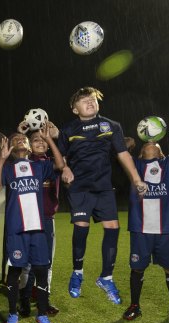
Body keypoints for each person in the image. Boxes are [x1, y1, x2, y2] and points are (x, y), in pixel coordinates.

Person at [58, 86, 147, 304]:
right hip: (80, 188)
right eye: (84, 100)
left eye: (92, 99)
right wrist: (64, 169)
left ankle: (106, 277)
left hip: (104, 187)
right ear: (74, 109)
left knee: (112, 229)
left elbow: (123, 153)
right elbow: (60, 156)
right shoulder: (68, 129)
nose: (90, 102)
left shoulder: (111, 125)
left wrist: (136, 179)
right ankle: (77, 272)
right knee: (81, 227)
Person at [0, 128, 65, 323]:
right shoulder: (8, 168)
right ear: (11, 147)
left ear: (28, 145)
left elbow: (60, 165)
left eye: (23, 139)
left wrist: (49, 141)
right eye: (15, 139)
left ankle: (42, 315)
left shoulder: (39, 165)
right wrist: (1, 158)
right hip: (16, 229)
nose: (19, 140)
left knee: (41, 271)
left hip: (38, 228)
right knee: (15, 272)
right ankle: (13, 314)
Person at [123, 128, 169, 323]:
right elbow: (119, 155)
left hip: (167, 228)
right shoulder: (135, 165)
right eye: (146, 144)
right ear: (141, 152)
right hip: (140, 228)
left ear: (161, 152)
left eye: (156, 144)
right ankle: (134, 306)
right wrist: (126, 145)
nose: (151, 144)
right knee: (137, 268)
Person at [17, 125, 60, 317]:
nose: (40, 142)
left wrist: (54, 137)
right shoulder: (25, 163)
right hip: (28, 219)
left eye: (44, 140)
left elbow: (64, 163)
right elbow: (15, 152)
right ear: (29, 145)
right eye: (36, 140)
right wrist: (21, 133)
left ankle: (45, 300)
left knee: (47, 263)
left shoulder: (53, 163)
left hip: (47, 220)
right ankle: (24, 300)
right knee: (27, 264)